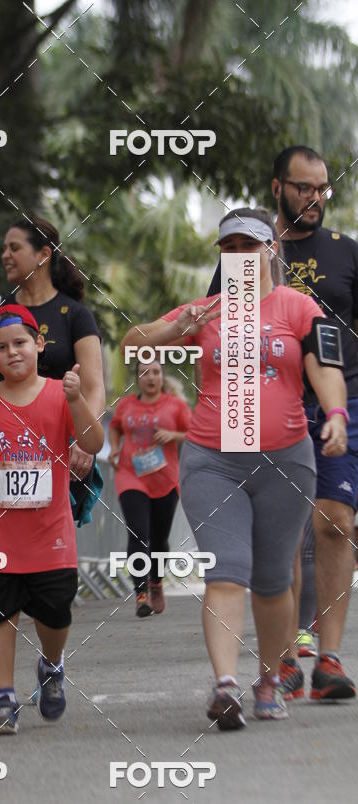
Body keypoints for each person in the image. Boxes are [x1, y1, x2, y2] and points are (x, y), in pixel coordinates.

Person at [122, 207, 348, 729]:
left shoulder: (299, 308)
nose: (241, 255)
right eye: (230, 248)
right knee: (226, 572)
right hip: (212, 460)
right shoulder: (207, 310)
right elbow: (135, 342)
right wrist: (180, 325)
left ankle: (269, 678)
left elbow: (325, 371)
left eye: (251, 246)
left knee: (272, 582)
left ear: (272, 251)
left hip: (287, 460)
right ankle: (225, 686)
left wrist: (335, 414)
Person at [208, 147, 358, 701]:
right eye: (303, 188)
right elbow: (215, 333)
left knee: (335, 519)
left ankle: (331, 658)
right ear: (277, 188)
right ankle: (287, 655)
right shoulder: (243, 253)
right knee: (284, 532)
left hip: (344, 400)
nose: (314, 198)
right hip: (267, 404)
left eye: (323, 189)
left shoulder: (346, 253)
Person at [0, 216, 105, 710]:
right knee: (1, 570)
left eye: (15, 247)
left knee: (50, 582)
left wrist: (83, 433)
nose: (5, 256)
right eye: (3, 248)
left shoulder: (75, 314)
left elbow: (93, 383)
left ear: (44, 253)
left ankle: (47, 664)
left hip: (62, 445)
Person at [108, 361, 191, 617]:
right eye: (144, 373)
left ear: (162, 376)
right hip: (131, 475)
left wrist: (172, 435)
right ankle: (141, 593)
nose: (150, 377)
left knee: (159, 539)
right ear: (138, 378)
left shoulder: (175, 405)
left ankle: (156, 582)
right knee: (138, 532)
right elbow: (115, 427)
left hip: (164, 477)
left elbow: (194, 432)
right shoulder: (126, 405)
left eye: (155, 372)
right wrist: (114, 448)